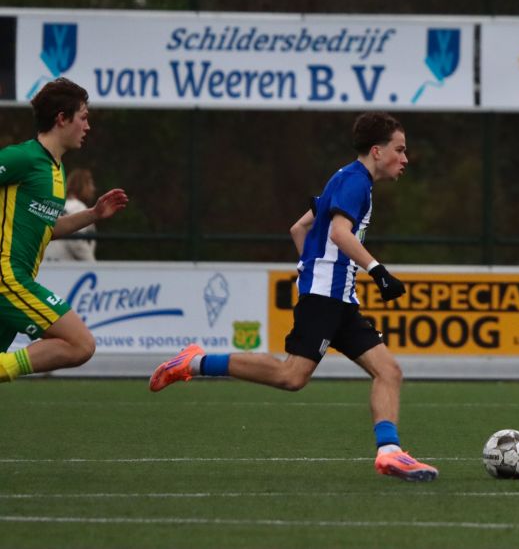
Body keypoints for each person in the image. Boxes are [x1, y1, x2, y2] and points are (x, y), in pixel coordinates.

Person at [149, 112, 438, 483]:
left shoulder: (345, 177)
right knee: (291, 376)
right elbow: (338, 233)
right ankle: (194, 362)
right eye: (400, 149)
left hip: (337, 299)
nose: (405, 158)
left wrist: (311, 268)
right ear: (377, 151)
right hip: (325, 298)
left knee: (388, 371)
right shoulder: (355, 183)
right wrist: (377, 271)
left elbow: (298, 227)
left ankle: (390, 453)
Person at [0, 77, 129, 383]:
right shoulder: (24, 157)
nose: (88, 126)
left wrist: (93, 214)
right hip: (7, 277)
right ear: (62, 118)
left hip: (16, 277)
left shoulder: (55, 170)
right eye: (83, 117)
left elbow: (46, 229)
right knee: (80, 344)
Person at [43, 168, 98, 262]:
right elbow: (77, 242)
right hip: (67, 266)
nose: (93, 188)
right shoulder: (79, 207)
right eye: (91, 184)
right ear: (83, 185)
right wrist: (92, 264)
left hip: (47, 263)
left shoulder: (57, 204)